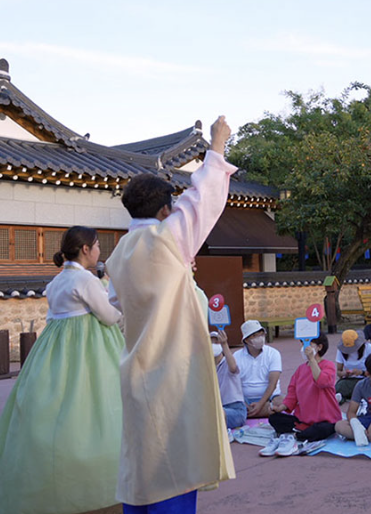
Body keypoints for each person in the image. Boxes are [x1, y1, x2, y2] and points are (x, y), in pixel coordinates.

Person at [105, 116, 235, 511]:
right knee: (176, 461)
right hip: (174, 368)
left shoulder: (117, 256)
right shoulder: (170, 237)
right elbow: (206, 197)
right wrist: (218, 144)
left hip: (136, 366)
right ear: (166, 210)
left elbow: (118, 308)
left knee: (141, 464)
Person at [0, 226, 125, 514]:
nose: (99, 252)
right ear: (85, 249)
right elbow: (108, 316)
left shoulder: (57, 281)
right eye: (96, 246)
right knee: (97, 406)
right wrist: (122, 304)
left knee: (56, 408)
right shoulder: (85, 279)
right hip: (89, 348)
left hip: (53, 349)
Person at [263, 334, 342, 456]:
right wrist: (281, 408)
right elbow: (292, 395)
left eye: (308, 344)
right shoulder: (300, 369)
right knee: (275, 418)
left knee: (321, 430)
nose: (304, 348)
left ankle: (294, 436)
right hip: (303, 419)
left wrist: (312, 360)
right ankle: (293, 435)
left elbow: (321, 381)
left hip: (325, 419)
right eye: (302, 344)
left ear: (319, 347)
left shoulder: (328, 366)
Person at [235, 320, 284, 418]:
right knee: (230, 403)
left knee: (281, 402)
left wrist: (260, 404)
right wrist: (243, 402)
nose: (260, 338)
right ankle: (251, 411)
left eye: (261, 334)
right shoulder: (236, 356)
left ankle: (248, 413)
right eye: (254, 336)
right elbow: (233, 384)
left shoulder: (273, 354)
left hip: (270, 397)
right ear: (246, 340)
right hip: (245, 399)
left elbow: (273, 383)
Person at [212, 330, 246, 430]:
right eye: (211, 342)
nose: (213, 345)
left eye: (216, 342)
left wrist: (224, 344)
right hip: (218, 408)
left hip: (235, 410)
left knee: (216, 414)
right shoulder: (207, 368)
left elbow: (233, 367)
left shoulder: (228, 362)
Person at [334, 329, 371, 402]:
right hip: (349, 380)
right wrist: (345, 373)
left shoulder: (368, 348)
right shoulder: (341, 351)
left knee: (367, 386)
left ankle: (346, 397)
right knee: (339, 387)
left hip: (365, 379)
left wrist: (361, 372)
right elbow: (339, 371)